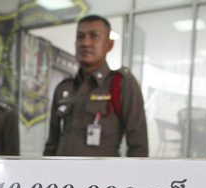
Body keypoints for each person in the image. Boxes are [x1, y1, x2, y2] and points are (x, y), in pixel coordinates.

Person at [44, 15, 148, 157]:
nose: (85, 43)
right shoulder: (64, 88)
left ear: (109, 45)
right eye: (80, 37)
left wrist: (132, 177)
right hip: (61, 176)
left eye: (94, 36)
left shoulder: (122, 84)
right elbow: (52, 143)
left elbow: (139, 147)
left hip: (103, 177)